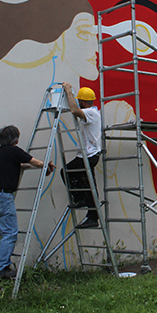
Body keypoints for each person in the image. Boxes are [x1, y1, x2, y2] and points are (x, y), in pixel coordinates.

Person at [0, 125, 54, 279]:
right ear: (16, 139)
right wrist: (45, 165)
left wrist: (39, 166)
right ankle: (2, 268)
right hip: (2, 197)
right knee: (10, 232)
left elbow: (20, 164)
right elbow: (33, 161)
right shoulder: (15, 151)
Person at [62, 82, 102, 229]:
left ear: (83, 101)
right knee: (86, 183)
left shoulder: (90, 113)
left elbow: (74, 110)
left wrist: (68, 91)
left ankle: (83, 202)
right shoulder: (93, 112)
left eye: (79, 100)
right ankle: (89, 210)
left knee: (66, 172)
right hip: (87, 155)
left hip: (89, 155)